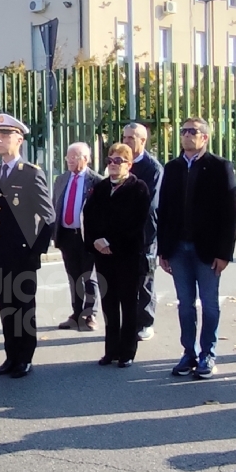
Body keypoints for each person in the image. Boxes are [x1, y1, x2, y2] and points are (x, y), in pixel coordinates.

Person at [157, 117, 236, 379]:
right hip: (178, 248)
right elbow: (165, 210)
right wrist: (163, 250)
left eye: (192, 131)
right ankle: (188, 353)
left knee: (210, 304)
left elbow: (230, 213)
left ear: (204, 137)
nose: (186, 135)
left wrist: (224, 253)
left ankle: (208, 354)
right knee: (185, 305)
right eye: (183, 131)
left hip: (207, 249)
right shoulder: (173, 167)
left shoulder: (220, 166)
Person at [0, 113, 55, 378]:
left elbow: (48, 216)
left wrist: (36, 251)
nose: (0, 140)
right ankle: (11, 356)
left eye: (6, 136)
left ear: (19, 140)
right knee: (6, 307)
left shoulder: (31, 173)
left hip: (22, 254)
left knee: (23, 309)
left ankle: (24, 357)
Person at [84, 143, 150, 367]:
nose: (113, 165)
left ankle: (127, 352)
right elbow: (90, 216)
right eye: (111, 160)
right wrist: (97, 241)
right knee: (109, 303)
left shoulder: (139, 188)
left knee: (128, 304)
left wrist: (113, 242)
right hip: (103, 256)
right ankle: (111, 350)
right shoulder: (101, 188)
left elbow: (138, 223)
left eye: (119, 161)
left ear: (129, 164)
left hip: (127, 255)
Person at [53, 142, 99, 331]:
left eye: (74, 157)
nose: (70, 161)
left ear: (86, 159)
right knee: (73, 276)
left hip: (86, 236)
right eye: (68, 157)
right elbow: (55, 204)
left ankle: (90, 314)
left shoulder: (96, 181)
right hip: (66, 235)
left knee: (89, 276)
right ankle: (76, 312)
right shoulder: (61, 179)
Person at [123, 122, 163, 340]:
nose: (126, 141)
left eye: (131, 138)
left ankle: (146, 322)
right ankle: (129, 321)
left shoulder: (152, 168)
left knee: (145, 277)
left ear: (142, 141)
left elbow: (151, 204)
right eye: (124, 137)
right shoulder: (121, 162)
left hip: (145, 232)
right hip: (123, 234)